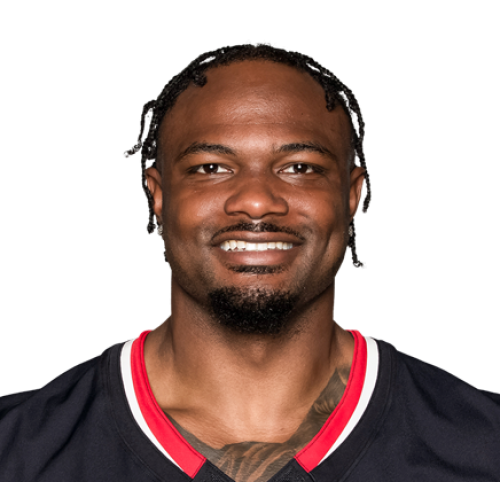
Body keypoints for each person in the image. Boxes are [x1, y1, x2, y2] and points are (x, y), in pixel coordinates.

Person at [1, 41, 498, 482]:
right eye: (211, 167)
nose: (257, 201)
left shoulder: (484, 445)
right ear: (157, 195)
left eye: (299, 167)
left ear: (352, 195)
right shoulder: (17, 450)